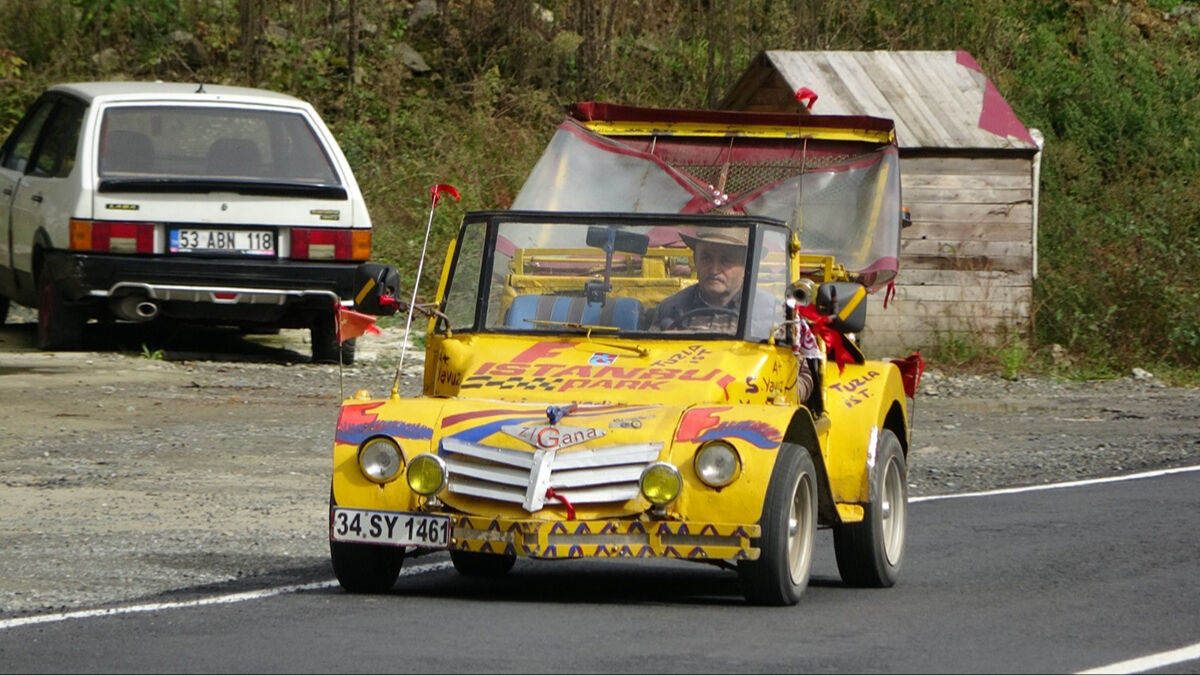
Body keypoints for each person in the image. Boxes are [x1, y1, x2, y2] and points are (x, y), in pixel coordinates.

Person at [647, 226, 814, 401]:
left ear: (747, 264)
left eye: (726, 260)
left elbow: (803, 375)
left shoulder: (775, 313)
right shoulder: (670, 307)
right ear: (695, 260)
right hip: (679, 406)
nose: (714, 269)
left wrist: (778, 399)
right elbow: (647, 365)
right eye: (706, 257)